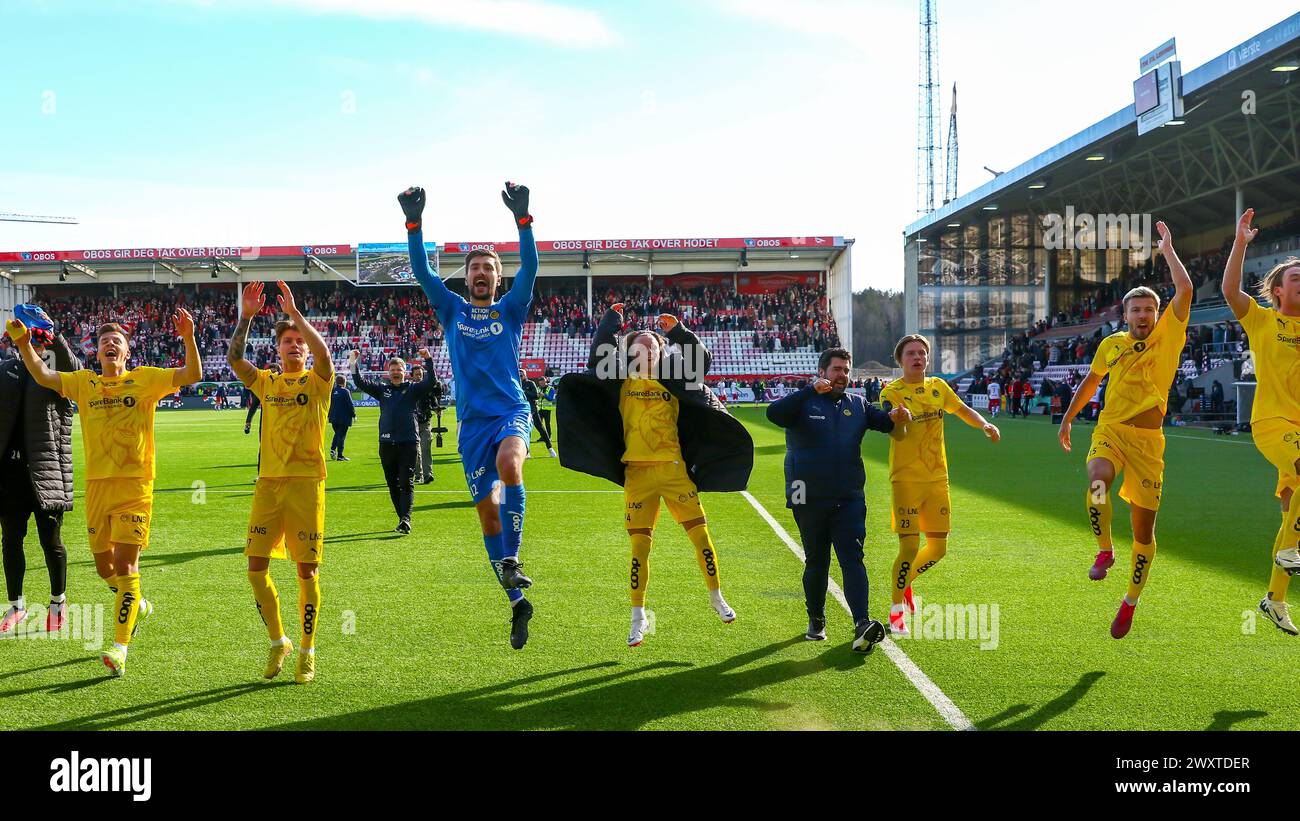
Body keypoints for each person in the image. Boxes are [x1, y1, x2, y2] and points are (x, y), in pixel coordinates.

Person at [8, 309, 201, 676]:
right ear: (96, 353)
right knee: (104, 569)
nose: (110, 345)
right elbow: (44, 375)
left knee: (127, 566)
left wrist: (188, 336)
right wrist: (22, 343)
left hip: (134, 487)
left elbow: (193, 374)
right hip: (97, 488)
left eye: (117, 341)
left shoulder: (145, 380)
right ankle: (137, 602)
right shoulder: (84, 383)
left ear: (127, 352)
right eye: (103, 342)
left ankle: (119, 648)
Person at [558, 303, 753, 647]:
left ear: (661, 351)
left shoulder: (676, 379)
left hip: (675, 471)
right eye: (640, 342)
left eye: (652, 342)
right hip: (637, 475)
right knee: (639, 548)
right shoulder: (618, 380)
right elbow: (598, 356)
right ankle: (638, 617)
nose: (646, 344)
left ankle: (716, 597)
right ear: (629, 351)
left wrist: (677, 332)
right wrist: (611, 323)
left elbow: (701, 359)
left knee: (701, 538)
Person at [401, 182, 539, 649]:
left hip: (509, 413)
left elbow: (532, 268)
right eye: (475, 267)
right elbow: (421, 272)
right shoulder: (452, 309)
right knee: (487, 518)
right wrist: (414, 225)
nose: (482, 273)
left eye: (489, 268)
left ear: (498, 278)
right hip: (471, 426)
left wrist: (523, 220)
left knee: (510, 467)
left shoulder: (512, 309)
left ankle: (513, 560)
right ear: (466, 277)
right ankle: (517, 602)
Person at [1058, 220, 1192, 639]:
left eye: (1149, 309)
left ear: (1157, 314)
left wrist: (1168, 249)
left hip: (1149, 443)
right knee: (1097, 480)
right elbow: (1091, 382)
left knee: (1144, 531)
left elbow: (1185, 291)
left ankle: (1130, 602)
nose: (1143, 315)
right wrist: (1066, 418)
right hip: (1111, 430)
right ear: (1125, 314)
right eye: (1136, 310)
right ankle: (1103, 551)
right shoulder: (1111, 344)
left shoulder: (1169, 335)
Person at [227, 280, 333, 684]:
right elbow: (237, 360)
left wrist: (298, 315)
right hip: (268, 484)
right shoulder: (268, 382)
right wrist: (247, 316)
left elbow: (324, 353)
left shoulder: (318, 382)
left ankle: (307, 650)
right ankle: (278, 641)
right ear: (278, 348)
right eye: (287, 341)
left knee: (306, 573)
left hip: (307, 485)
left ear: (305, 348)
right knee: (256, 569)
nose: (293, 346)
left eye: (298, 341)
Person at [766, 347, 901, 651]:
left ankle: (862, 624)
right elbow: (773, 414)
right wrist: (806, 391)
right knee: (817, 561)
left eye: (846, 369)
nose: (842, 375)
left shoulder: (858, 404)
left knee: (853, 559)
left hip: (849, 497)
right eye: (837, 369)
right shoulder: (804, 401)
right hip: (807, 495)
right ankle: (816, 619)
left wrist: (896, 415)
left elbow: (887, 423)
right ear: (823, 372)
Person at [880, 335, 1000, 637]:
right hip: (906, 479)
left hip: (937, 478)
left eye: (922, 352)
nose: (917, 357)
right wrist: (901, 420)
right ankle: (896, 611)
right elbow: (896, 435)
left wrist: (984, 424)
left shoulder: (938, 387)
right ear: (900, 360)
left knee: (937, 548)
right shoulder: (891, 393)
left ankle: (905, 582)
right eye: (911, 353)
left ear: (928, 358)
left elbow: (961, 410)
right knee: (909, 546)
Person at [1221, 210, 1300, 634]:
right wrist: (1241, 244)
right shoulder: (1263, 320)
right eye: (1296, 277)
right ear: (1277, 290)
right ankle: (1290, 556)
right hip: (1272, 422)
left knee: (1292, 515)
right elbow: (1230, 289)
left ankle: (1275, 599)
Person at [0, 305, 80, 634]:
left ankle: (57, 602)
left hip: (47, 468)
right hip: (9, 471)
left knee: (52, 541)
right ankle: (15, 605)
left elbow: (76, 371)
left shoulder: (54, 369)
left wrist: (54, 333)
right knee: (11, 540)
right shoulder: (5, 368)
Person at [349, 348, 436, 533]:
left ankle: (406, 518)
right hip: (386, 444)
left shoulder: (413, 389)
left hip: (409, 443)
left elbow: (431, 382)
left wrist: (428, 360)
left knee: (406, 482)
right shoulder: (382, 390)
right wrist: (353, 363)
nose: (396, 372)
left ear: (405, 372)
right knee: (392, 484)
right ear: (389, 372)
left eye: (399, 369)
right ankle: (402, 519)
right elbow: (359, 382)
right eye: (393, 370)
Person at [411, 361, 440, 483]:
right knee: (415, 450)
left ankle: (428, 474)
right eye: (417, 374)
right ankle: (418, 474)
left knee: (425, 447)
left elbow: (434, 402)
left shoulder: (427, 389)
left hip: (425, 422)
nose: (419, 376)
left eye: (421, 374)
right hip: (411, 424)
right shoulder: (409, 389)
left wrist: (437, 409)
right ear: (412, 375)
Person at [521, 371, 556, 457]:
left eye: (521, 375)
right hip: (522, 410)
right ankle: (527, 452)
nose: (520, 376)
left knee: (541, 428)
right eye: (519, 375)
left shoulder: (530, 383)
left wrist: (525, 392)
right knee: (526, 430)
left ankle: (550, 448)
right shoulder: (517, 384)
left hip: (533, 409)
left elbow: (535, 396)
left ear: (525, 375)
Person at [328, 374, 355, 461]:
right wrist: (354, 414)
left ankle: (333, 449)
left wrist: (329, 415)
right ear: (344, 382)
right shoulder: (345, 391)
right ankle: (340, 455)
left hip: (333, 417)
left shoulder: (332, 391)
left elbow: (329, 404)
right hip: (343, 418)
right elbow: (350, 404)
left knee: (337, 434)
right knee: (341, 436)